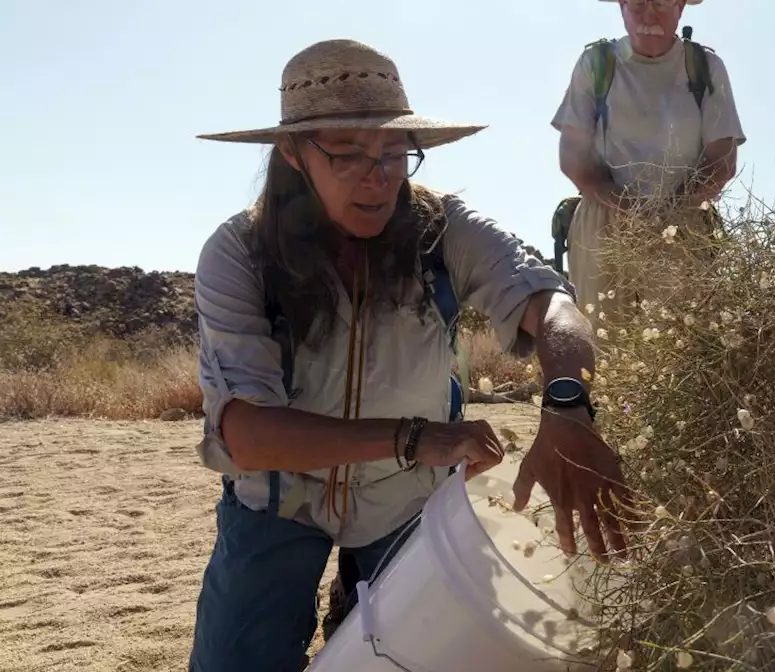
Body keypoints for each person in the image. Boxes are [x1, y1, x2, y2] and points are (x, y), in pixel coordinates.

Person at [188, 38, 631, 672]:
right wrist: (415, 437)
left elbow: (554, 307)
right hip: (277, 495)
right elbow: (251, 437)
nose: (381, 177)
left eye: (397, 154)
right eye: (349, 155)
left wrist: (568, 407)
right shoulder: (239, 251)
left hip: (405, 498)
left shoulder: (443, 227)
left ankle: (362, 590)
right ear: (292, 153)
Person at [551, 0, 746, 323]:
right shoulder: (596, 64)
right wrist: (630, 207)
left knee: (680, 352)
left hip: (684, 227)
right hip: (603, 226)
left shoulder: (705, 68)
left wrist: (670, 212)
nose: (648, 15)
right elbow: (573, 158)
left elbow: (722, 161)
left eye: (660, 3)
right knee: (603, 355)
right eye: (638, 3)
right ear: (622, 6)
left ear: (681, 7)